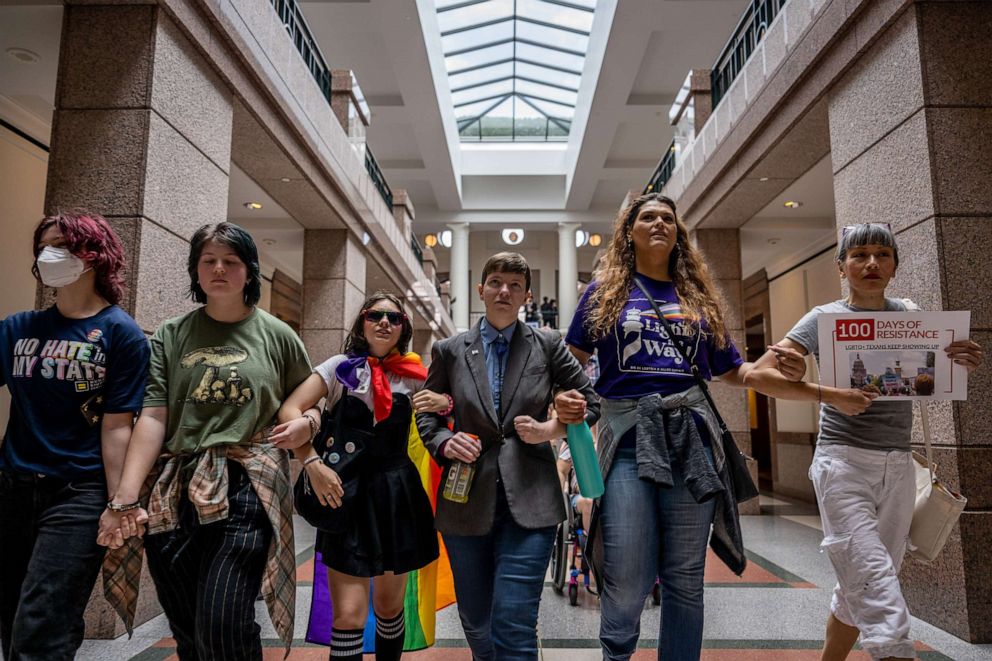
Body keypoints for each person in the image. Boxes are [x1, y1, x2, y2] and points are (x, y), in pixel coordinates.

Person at [558, 192, 806, 660]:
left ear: (678, 233)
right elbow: (571, 362)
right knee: (628, 577)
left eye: (667, 218)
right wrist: (566, 401)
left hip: (690, 441)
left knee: (685, 577)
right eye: (647, 217)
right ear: (628, 232)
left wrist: (780, 369)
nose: (658, 223)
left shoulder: (695, 298)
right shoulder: (605, 292)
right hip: (629, 440)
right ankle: (616, 652)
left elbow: (736, 371)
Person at [744, 223, 983, 661]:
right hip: (842, 463)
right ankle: (896, 650)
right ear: (842, 267)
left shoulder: (910, 315)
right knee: (874, 575)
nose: (871, 263)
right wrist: (829, 394)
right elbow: (757, 375)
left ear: (893, 266)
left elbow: (930, 378)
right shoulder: (823, 319)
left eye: (882, 255)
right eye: (859, 255)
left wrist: (959, 363)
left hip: (899, 465)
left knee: (865, 580)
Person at [96, 222, 312, 659]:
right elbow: (153, 417)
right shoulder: (172, 335)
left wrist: (309, 423)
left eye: (230, 261)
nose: (218, 269)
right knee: (187, 625)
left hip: (247, 484)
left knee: (223, 623)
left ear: (249, 271)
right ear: (195, 271)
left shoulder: (278, 335)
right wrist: (124, 499)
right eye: (208, 260)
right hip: (173, 486)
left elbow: (308, 398)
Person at [417, 252, 600, 660]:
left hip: (532, 499)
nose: (505, 290)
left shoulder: (548, 345)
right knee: (477, 620)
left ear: (527, 297)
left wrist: (550, 430)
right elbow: (427, 416)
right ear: (480, 290)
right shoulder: (449, 350)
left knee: (512, 621)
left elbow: (590, 401)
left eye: (515, 285)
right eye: (496, 282)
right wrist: (445, 443)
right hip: (466, 500)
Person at [0, 211, 149, 660]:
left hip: (77, 493)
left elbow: (118, 426)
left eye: (63, 245)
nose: (50, 254)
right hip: (13, 486)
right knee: (11, 616)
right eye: (45, 245)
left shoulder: (121, 334)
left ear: (94, 256)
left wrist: (120, 503)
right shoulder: (15, 329)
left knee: (44, 619)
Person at [277, 291, 447, 660]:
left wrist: (444, 402)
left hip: (396, 497)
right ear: (362, 322)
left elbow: (450, 413)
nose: (384, 322)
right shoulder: (339, 368)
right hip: (345, 497)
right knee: (349, 616)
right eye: (375, 315)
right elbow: (291, 407)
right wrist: (311, 462)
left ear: (403, 329)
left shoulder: (416, 377)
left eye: (394, 317)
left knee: (388, 609)